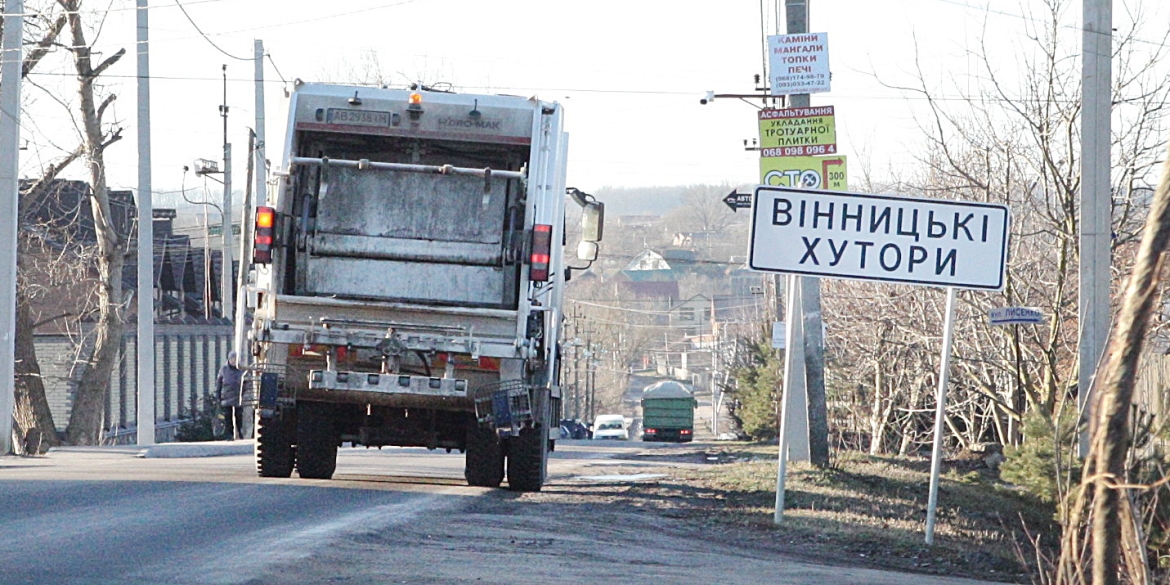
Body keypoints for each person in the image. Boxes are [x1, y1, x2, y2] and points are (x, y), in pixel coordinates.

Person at [215, 351, 245, 440]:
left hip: (238, 397)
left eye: (235, 359)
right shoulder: (223, 369)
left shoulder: (241, 370)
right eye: (232, 359)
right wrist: (218, 397)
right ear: (229, 359)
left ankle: (240, 432)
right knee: (227, 417)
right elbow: (219, 383)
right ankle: (229, 434)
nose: (233, 361)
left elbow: (246, 383)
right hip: (226, 396)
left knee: (238, 416)